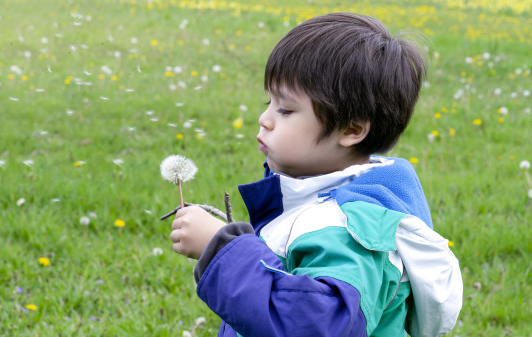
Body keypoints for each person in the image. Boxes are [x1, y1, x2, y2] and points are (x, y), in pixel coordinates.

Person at [169, 12, 462, 337]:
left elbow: (314, 325)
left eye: (286, 109)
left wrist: (222, 248)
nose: (264, 119)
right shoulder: (320, 194)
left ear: (351, 129)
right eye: (269, 101)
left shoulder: (349, 233)